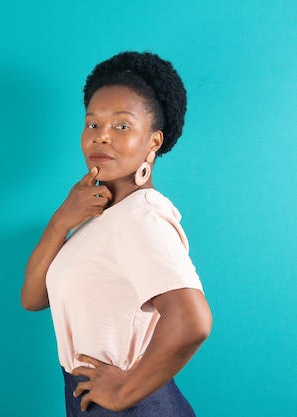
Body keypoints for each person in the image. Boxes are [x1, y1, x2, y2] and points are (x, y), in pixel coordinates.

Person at [21, 51, 212, 416]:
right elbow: (32, 297)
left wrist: (124, 394)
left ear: (154, 141)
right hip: (87, 399)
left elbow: (192, 320)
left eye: (121, 126)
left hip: (130, 406)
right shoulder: (102, 217)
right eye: (93, 124)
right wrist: (62, 220)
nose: (101, 138)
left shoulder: (142, 216)